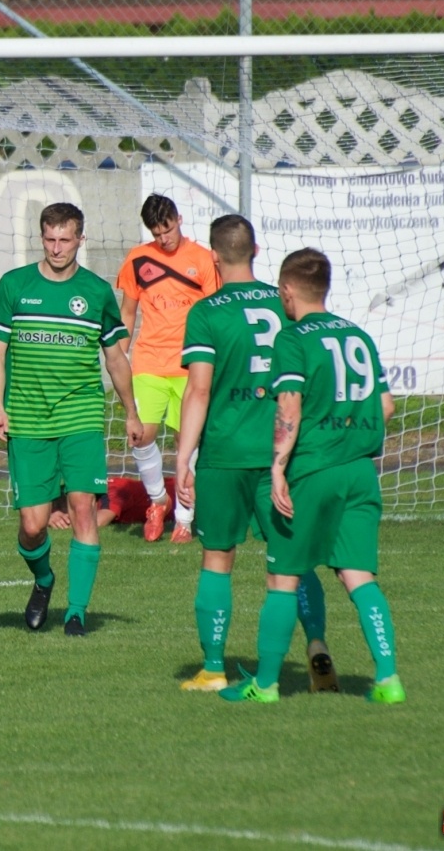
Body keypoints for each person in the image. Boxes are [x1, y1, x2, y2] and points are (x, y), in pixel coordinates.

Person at [221, 248, 405, 705]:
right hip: (360, 472)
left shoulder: (293, 338)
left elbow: (289, 406)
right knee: (359, 576)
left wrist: (278, 467)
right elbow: (386, 406)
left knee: (284, 576)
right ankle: (388, 680)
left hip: (313, 471)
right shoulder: (358, 335)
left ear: (286, 291)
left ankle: (264, 685)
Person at [173, 216, 336, 693]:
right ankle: (317, 648)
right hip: (281, 458)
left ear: (213, 257)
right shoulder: (286, 301)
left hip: (225, 453)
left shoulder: (207, 312)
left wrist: (183, 459)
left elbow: (198, 390)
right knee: (293, 560)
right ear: (257, 251)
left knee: (217, 557)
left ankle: (213, 666)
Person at [0, 203, 143, 637]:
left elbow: (115, 358)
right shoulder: (15, 286)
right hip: (29, 420)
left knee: (83, 511)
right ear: (42, 238)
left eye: (65, 240)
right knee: (33, 526)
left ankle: (76, 612)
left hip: (81, 416)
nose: (57, 248)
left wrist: (132, 412)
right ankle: (44, 579)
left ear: (80, 240)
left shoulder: (94, 292)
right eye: (50, 239)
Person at [116, 194, 221, 543]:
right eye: (157, 232)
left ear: (179, 218)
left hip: (189, 367)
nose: (164, 238)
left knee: (184, 443)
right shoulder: (138, 259)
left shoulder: (203, 260)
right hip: (148, 362)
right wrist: (119, 355)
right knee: (141, 434)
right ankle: (159, 501)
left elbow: (213, 315)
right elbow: (128, 312)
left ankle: (184, 520)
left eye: (168, 228)